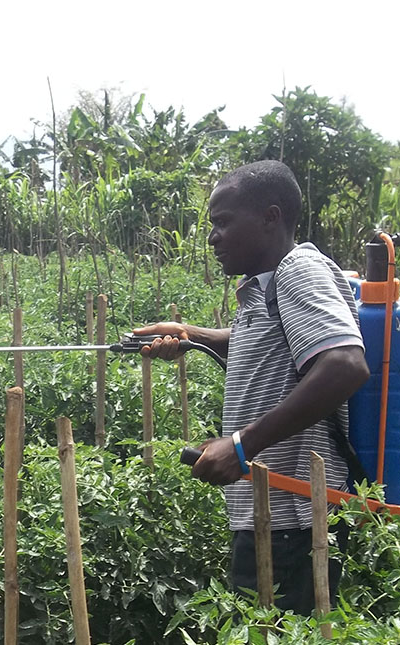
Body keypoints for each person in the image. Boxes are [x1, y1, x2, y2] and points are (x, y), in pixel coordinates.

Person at [135, 160, 369, 614]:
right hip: (270, 517)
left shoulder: (298, 270)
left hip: (295, 522)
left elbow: (344, 365)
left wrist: (242, 446)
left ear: (270, 217)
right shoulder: (263, 286)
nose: (212, 238)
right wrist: (192, 336)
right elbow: (266, 345)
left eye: (223, 222)